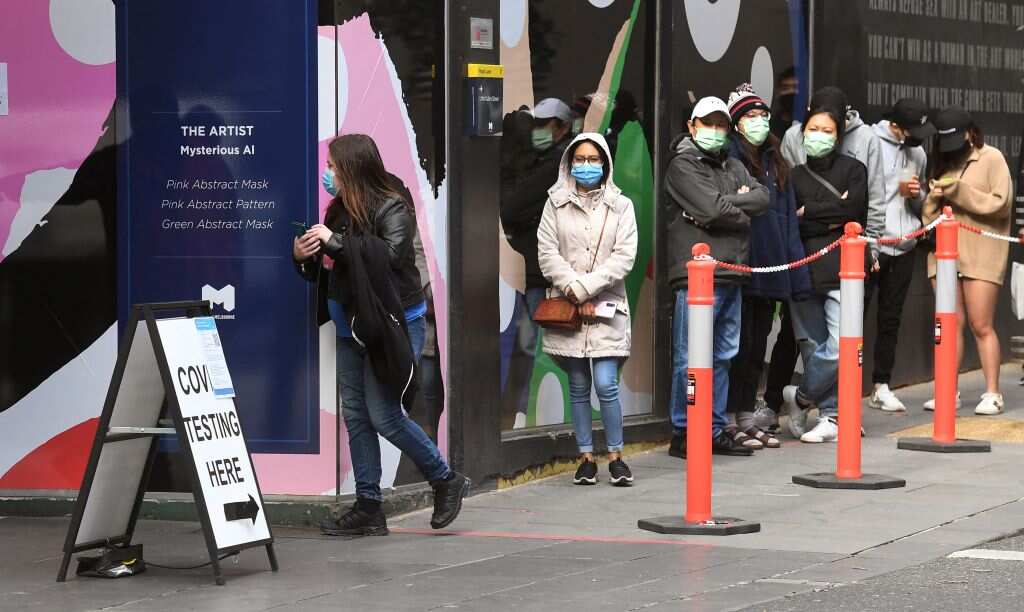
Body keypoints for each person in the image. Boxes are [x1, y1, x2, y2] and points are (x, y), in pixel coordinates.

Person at [294, 134, 469, 536]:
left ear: (352, 169)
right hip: (349, 326)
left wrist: (334, 243)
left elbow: (389, 258)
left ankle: (445, 479)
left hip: (388, 323)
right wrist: (302, 256)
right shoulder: (339, 209)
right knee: (356, 414)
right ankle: (369, 506)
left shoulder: (392, 205)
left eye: (334, 167)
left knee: (385, 415)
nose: (328, 173)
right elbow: (334, 268)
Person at [664, 96, 770, 458]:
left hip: (732, 274)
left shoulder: (735, 165)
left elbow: (762, 200)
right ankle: (683, 431)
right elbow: (710, 209)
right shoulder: (683, 165)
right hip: (697, 278)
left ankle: (712, 429)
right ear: (692, 127)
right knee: (689, 357)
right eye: (707, 123)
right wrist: (730, 207)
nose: (715, 131)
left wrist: (725, 207)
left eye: (721, 124)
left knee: (724, 354)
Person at [537, 132, 639, 485]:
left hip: (607, 306)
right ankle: (585, 457)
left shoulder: (621, 205)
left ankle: (616, 456)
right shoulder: (555, 203)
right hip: (569, 308)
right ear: (569, 163)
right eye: (579, 159)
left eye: (593, 159)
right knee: (579, 384)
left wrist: (585, 286)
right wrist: (570, 286)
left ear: (605, 163)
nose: (586, 165)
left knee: (607, 383)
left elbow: (624, 257)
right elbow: (547, 251)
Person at [724, 84, 812, 449]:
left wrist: (796, 275)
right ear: (736, 123)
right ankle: (729, 416)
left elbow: (788, 222)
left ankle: (747, 412)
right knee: (736, 346)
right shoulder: (730, 159)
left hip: (772, 269)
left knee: (758, 343)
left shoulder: (778, 163)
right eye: (750, 117)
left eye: (762, 116)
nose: (758, 122)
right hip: (741, 266)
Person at [784, 102, 868, 442]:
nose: (819, 136)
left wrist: (811, 211)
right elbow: (794, 221)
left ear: (839, 135)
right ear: (803, 133)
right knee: (813, 344)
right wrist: (828, 215)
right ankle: (831, 417)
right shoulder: (793, 176)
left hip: (842, 270)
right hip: (804, 267)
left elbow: (854, 211)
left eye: (827, 130)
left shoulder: (854, 169)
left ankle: (801, 396)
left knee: (842, 345)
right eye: (813, 130)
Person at [922, 106, 1013, 415]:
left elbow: (1000, 204)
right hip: (944, 254)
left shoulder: (992, 158)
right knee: (949, 325)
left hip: (982, 253)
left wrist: (959, 190)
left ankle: (993, 392)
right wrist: (933, 197)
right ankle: (947, 389)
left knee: (981, 323)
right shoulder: (942, 161)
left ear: (970, 133)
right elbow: (928, 219)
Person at [500, 98, 574, 427]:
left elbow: (513, 206)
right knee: (534, 346)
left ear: (562, 128)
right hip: (538, 273)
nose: (539, 132)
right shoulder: (541, 159)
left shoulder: (558, 163)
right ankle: (532, 414)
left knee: (541, 348)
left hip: (549, 276)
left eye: (546, 125)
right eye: (536, 125)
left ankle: (538, 416)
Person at [865, 99, 935, 412]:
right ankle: (840, 391)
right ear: (895, 125)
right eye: (913, 130)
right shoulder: (869, 142)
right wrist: (896, 187)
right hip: (873, 243)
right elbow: (865, 192)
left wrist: (917, 194)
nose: (918, 136)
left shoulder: (917, 152)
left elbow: (921, 205)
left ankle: (882, 384)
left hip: (905, 244)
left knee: (891, 318)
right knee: (855, 318)